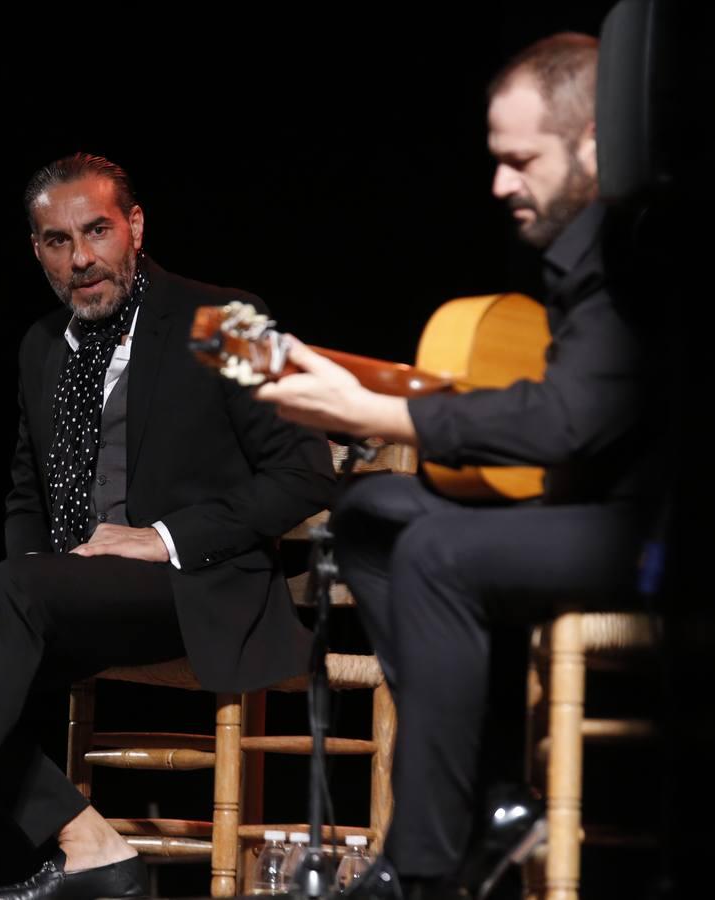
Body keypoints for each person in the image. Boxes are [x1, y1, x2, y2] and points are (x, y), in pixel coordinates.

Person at [0, 153, 336, 900]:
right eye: (56, 241)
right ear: (35, 249)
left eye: (98, 231)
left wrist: (162, 538)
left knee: (13, 594)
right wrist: (30, 578)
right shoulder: (42, 345)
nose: (81, 259)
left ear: (135, 227)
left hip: (199, 585)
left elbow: (306, 472)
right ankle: (90, 842)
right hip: (73, 591)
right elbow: (23, 493)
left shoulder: (229, 319)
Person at [253, 34, 661, 900]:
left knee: (445, 554)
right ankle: (486, 788)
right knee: (370, 512)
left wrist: (383, 413)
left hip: (654, 527)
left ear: (592, 141)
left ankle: (429, 867)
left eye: (520, 161)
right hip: (585, 506)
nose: (499, 185)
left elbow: (570, 421)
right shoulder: (586, 243)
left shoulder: (635, 247)